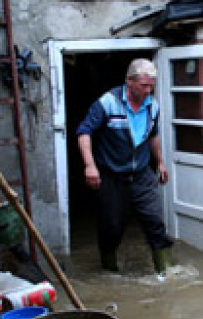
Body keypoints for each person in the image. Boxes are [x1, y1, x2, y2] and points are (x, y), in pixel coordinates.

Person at [76, 58, 173, 274]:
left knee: (155, 221)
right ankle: (109, 270)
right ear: (129, 81)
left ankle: (166, 272)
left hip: (141, 175)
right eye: (144, 85)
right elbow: (84, 132)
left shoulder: (152, 106)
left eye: (151, 86)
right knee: (112, 227)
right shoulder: (108, 103)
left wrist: (160, 162)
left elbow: (153, 135)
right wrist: (89, 165)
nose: (148, 90)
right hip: (111, 176)